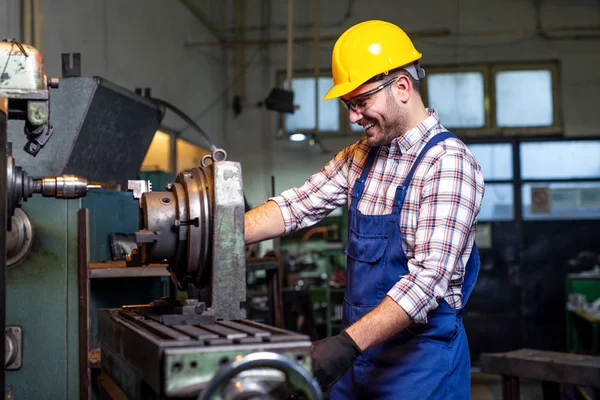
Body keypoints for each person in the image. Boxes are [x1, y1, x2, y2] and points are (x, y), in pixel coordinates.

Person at [245, 19, 485, 399]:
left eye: (361, 102)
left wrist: (344, 345)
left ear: (402, 87)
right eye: (348, 105)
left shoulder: (447, 163)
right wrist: (223, 234)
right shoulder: (361, 156)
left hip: (419, 365)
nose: (353, 117)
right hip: (358, 360)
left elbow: (426, 282)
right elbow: (299, 204)